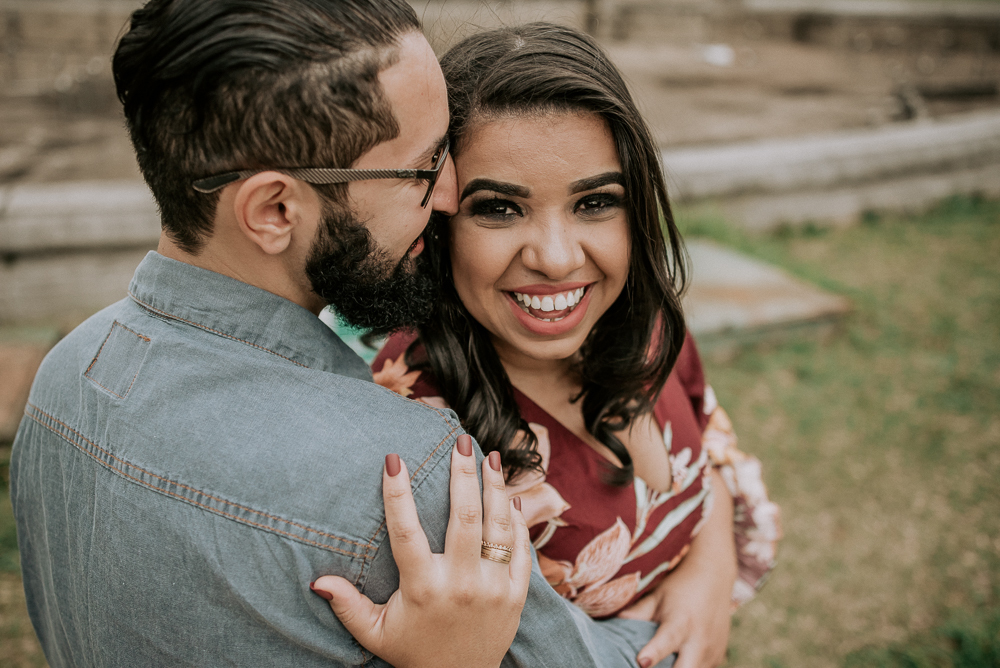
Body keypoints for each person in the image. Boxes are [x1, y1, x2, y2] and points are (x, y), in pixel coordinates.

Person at [11, 2, 676, 666]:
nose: (448, 194)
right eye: (422, 168)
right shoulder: (405, 477)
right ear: (275, 209)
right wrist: (677, 602)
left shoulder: (63, 379)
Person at [361, 23, 782, 668]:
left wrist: (709, 563)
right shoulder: (416, 430)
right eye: (500, 209)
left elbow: (712, 445)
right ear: (439, 219)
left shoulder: (646, 326)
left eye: (594, 203)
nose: (556, 259)